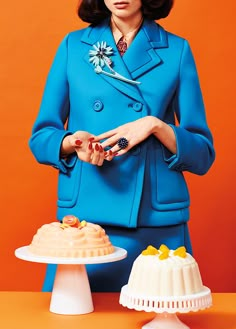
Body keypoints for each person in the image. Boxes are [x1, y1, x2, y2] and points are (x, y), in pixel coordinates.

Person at [29, 0, 215, 292]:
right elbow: (41, 138)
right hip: (85, 226)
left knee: (160, 328)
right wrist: (72, 142)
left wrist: (155, 125)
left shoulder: (177, 51)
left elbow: (202, 154)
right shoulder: (73, 46)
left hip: (154, 220)